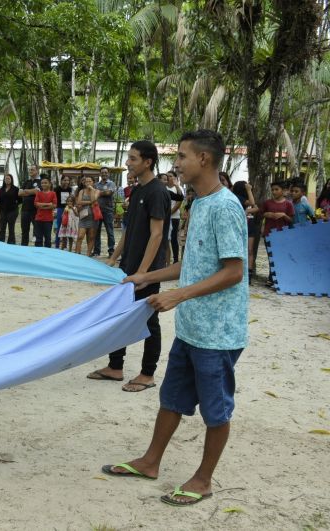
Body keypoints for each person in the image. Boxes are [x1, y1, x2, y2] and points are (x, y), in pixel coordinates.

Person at [102, 129, 248, 508]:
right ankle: (151, 461)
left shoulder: (226, 207)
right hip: (192, 328)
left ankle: (203, 478)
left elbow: (234, 271)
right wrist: (147, 278)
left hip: (218, 334)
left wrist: (179, 295)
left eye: (182, 156)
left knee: (215, 408)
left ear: (204, 159)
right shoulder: (197, 204)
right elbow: (194, 264)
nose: (177, 163)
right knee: (171, 398)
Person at [88, 140, 170, 392]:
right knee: (118, 315)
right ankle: (115, 367)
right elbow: (128, 230)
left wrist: (143, 273)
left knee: (148, 320)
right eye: (128, 157)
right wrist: (114, 259)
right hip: (128, 268)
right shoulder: (136, 192)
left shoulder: (157, 192)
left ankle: (147, 374)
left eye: (133, 158)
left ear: (148, 162)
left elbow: (157, 235)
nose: (127, 163)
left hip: (146, 271)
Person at [261, 181, 294, 287]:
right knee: (271, 256)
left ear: (283, 190)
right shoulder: (267, 203)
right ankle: (271, 278)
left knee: (280, 256)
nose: (274, 191)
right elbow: (261, 214)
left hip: (282, 234)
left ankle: (278, 279)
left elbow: (291, 220)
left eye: (276, 189)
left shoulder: (288, 204)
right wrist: (267, 214)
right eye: (273, 189)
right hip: (269, 233)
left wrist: (283, 215)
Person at [231, 181, 259, 280]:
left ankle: (249, 273)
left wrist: (247, 211)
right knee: (246, 251)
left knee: (249, 250)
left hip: (249, 225)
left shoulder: (244, 199)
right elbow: (252, 204)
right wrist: (249, 189)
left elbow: (255, 207)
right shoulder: (238, 198)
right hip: (242, 226)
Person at [93, 167, 117, 257]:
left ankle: (111, 251)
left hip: (108, 211)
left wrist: (98, 193)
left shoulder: (112, 183)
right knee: (97, 232)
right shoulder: (96, 185)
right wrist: (103, 192)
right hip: (98, 211)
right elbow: (96, 194)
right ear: (100, 174)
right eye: (102, 172)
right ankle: (96, 251)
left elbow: (109, 193)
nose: (104, 174)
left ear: (108, 174)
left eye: (106, 172)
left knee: (110, 232)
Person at [74, 176, 98, 255]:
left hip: (93, 217)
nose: (87, 183)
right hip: (83, 217)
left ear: (93, 182)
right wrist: (90, 202)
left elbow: (94, 199)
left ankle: (88, 254)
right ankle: (77, 253)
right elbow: (79, 202)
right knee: (80, 236)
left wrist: (91, 190)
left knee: (91, 237)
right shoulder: (81, 191)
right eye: (86, 181)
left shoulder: (97, 191)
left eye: (89, 181)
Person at [18, 165, 41, 246]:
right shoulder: (26, 182)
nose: (30, 171)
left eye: (32, 169)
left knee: (36, 231)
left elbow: (37, 192)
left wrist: (25, 191)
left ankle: (37, 248)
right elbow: (20, 193)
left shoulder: (40, 181)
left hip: (35, 210)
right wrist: (31, 191)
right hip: (25, 210)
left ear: (37, 171)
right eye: (30, 170)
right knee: (24, 231)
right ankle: (24, 248)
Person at [33, 176, 57, 247]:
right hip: (38, 219)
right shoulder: (39, 193)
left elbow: (54, 205)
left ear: (50, 184)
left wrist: (42, 205)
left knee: (47, 238)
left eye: (45, 183)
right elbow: (36, 204)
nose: (43, 184)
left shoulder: (53, 193)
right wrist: (48, 204)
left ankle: (47, 254)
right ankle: (38, 253)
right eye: (42, 183)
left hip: (48, 219)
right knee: (38, 239)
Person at [0, 173, 21, 244]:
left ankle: (11, 243)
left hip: (12, 211)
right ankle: (1, 243)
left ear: (11, 180)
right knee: (2, 228)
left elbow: (20, 200)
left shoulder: (16, 189)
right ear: (4, 180)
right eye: (6, 179)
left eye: (8, 178)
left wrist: (16, 207)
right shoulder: (1, 190)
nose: (7, 180)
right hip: (2, 211)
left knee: (11, 228)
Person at [166, 173, 184, 263]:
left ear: (175, 178)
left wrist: (169, 213)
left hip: (174, 217)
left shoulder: (178, 188)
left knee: (173, 239)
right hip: (164, 217)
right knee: (165, 240)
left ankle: (176, 259)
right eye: (167, 176)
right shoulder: (164, 188)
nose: (168, 177)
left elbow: (179, 202)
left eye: (170, 176)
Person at [54, 175, 73, 248]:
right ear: (61, 181)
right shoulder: (57, 189)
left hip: (68, 209)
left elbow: (71, 199)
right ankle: (57, 245)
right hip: (59, 209)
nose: (66, 182)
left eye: (67, 180)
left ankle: (64, 245)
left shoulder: (70, 189)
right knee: (59, 227)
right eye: (64, 180)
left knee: (67, 227)